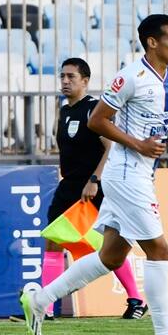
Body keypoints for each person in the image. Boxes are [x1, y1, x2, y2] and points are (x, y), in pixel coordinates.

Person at [19, 14, 168, 335]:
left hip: (143, 171)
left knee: (110, 255)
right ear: (152, 42)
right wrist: (138, 144)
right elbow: (97, 120)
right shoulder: (130, 77)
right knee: (160, 250)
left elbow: (167, 114)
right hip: (125, 172)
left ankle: (40, 300)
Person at [36, 58, 148, 319]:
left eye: (71, 77)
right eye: (62, 76)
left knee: (110, 247)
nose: (65, 81)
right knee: (53, 241)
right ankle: (46, 308)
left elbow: (111, 147)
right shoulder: (64, 111)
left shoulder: (93, 110)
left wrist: (95, 180)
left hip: (94, 188)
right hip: (69, 186)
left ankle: (136, 300)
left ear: (85, 81)